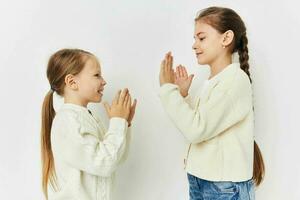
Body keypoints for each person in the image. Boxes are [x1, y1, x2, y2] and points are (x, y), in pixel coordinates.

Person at [159, 6, 264, 199]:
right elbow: (206, 126)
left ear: (226, 38)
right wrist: (183, 96)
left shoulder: (234, 80)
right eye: (194, 39)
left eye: (201, 38)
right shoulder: (216, 81)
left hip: (223, 187)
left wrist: (168, 91)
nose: (194, 45)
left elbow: (196, 129)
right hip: (204, 180)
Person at [41, 48, 137, 200]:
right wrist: (117, 122)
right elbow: (105, 164)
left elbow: (116, 158)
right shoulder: (68, 122)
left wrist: (124, 124)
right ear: (72, 82)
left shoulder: (86, 117)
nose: (103, 81)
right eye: (96, 75)